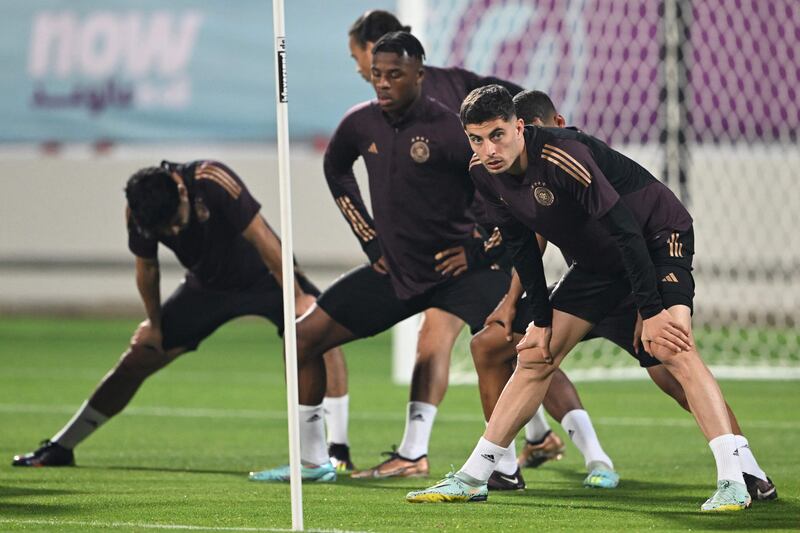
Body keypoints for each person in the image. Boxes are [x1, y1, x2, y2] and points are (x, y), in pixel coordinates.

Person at [407, 85, 753, 512]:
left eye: (496, 134)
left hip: (658, 238)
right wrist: (539, 319)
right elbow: (521, 245)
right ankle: (472, 476)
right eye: (476, 138)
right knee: (536, 355)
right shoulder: (482, 171)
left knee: (670, 345)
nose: (488, 148)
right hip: (599, 260)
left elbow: (627, 230)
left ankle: (734, 480)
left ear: (518, 126)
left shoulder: (562, 155)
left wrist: (652, 310)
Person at [334, 11, 610, 488]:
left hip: (480, 251)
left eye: (367, 60)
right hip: (456, 251)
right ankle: (527, 444)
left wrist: (478, 241)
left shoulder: (443, 100)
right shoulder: (439, 88)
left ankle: (587, 456)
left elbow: (510, 126)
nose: (367, 72)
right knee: (491, 346)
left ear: (388, 53)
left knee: (519, 344)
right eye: (371, 68)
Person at [248, 32, 511, 484]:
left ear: (419, 75)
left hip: (459, 275)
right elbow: (335, 168)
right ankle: (313, 461)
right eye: (377, 75)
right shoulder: (359, 124)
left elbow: (496, 193)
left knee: (513, 350)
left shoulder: (448, 128)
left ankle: (507, 466)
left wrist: (475, 247)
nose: (383, 83)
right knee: (301, 340)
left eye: (395, 75)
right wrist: (370, 240)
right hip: (398, 273)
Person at [11, 160, 342, 466]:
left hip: (264, 277)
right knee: (139, 355)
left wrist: (296, 295)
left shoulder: (212, 180)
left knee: (318, 329)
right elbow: (148, 268)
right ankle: (62, 446)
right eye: (164, 230)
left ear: (182, 192)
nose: (172, 233)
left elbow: (263, 238)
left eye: (175, 223)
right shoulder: (141, 212)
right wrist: (153, 324)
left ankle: (338, 449)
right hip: (206, 289)